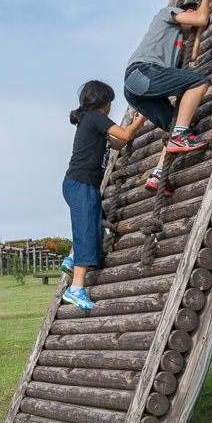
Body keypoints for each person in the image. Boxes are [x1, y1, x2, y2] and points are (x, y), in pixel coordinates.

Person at [60, 79, 147, 310]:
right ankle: (76, 288)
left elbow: (117, 143)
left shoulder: (89, 122)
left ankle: (72, 259)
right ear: (104, 102)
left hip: (78, 184)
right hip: (82, 184)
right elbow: (126, 135)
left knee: (93, 224)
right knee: (87, 230)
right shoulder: (97, 117)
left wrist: (134, 124)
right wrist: (142, 119)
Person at [122, 0, 212, 196]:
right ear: (187, 14)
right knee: (199, 82)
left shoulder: (176, 47)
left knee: (178, 127)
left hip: (135, 87)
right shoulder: (167, 13)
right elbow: (200, 19)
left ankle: (157, 176)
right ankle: (180, 136)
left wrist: (198, 32)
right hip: (142, 72)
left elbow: (192, 57)